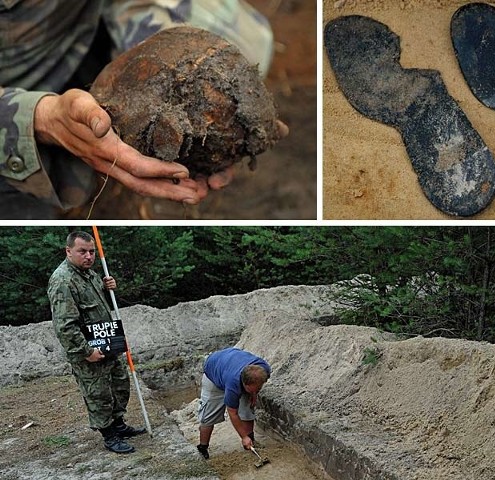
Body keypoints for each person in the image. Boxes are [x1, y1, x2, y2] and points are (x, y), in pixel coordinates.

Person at [0, 0, 283, 219]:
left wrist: (161, 53)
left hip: (59, 24)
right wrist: (38, 119)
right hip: (12, 86)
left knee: (246, 46)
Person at [47, 230, 145, 454]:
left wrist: (106, 287)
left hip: (107, 340)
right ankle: (109, 435)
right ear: (68, 251)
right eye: (82, 251)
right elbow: (65, 325)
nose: (89, 256)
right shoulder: (62, 281)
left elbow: (93, 305)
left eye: (92, 251)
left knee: (119, 384)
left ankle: (119, 425)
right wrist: (86, 351)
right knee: (98, 393)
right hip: (88, 349)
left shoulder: (89, 274)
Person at [197, 347, 271, 459]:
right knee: (208, 416)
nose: (255, 391)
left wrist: (253, 393)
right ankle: (203, 448)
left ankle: (251, 442)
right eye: (252, 390)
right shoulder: (233, 383)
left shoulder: (264, 369)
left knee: (247, 408)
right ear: (244, 384)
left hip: (231, 363)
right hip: (213, 371)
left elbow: (254, 386)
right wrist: (243, 437)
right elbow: (232, 413)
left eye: (258, 388)